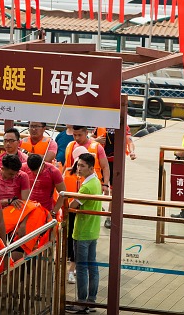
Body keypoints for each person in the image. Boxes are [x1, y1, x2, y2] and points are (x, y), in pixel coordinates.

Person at [65, 153, 103, 314]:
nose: (78, 169)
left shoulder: (86, 187)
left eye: (82, 166)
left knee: (81, 268)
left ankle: (81, 303)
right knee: (92, 266)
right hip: (93, 230)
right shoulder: (96, 181)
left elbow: (72, 205)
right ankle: (91, 301)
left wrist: (69, 201)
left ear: (91, 168)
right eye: (78, 165)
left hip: (82, 231)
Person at [52, 146, 86, 285]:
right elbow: (59, 192)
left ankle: (73, 263)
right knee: (69, 235)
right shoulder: (67, 172)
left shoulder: (88, 176)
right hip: (69, 209)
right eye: (79, 163)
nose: (79, 167)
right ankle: (67, 258)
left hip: (80, 210)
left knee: (75, 237)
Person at [92, 125, 136, 229]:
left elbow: (129, 141)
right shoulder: (101, 124)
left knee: (113, 191)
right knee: (97, 187)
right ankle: (96, 208)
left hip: (115, 162)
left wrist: (132, 152)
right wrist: (96, 140)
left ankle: (109, 217)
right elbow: (90, 138)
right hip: (100, 161)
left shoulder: (123, 126)